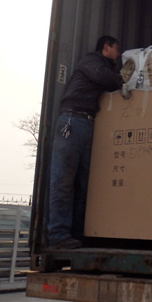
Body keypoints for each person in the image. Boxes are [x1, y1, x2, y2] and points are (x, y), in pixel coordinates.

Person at [47, 35, 126, 250]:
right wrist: (121, 78)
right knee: (63, 181)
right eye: (117, 49)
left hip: (87, 123)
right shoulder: (91, 61)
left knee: (83, 184)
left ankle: (76, 234)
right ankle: (57, 235)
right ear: (106, 47)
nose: (119, 54)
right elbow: (104, 77)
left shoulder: (104, 67)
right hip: (72, 122)